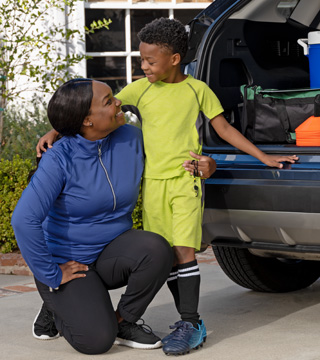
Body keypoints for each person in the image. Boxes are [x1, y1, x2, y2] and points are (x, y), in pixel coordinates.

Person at [36, 18, 299, 356]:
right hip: (152, 186)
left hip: (185, 182)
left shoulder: (197, 90)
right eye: (141, 60)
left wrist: (263, 157)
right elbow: (91, 110)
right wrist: (56, 131)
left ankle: (191, 323)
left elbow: (224, 129)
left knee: (184, 251)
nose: (143, 66)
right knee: (165, 254)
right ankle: (65, 307)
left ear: (174, 59)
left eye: (149, 60)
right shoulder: (141, 89)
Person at [11, 78, 175, 355]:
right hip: (69, 261)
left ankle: (123, 321)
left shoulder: (132, 139)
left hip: (112, 252)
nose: (118, 102)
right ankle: (56, 304)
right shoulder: (59, 158)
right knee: (96, 341)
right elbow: (23, 220)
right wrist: (51, 273)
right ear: (87, 120)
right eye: (109, 101)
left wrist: (205, 164)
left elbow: (176, 154)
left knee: (155, 249)